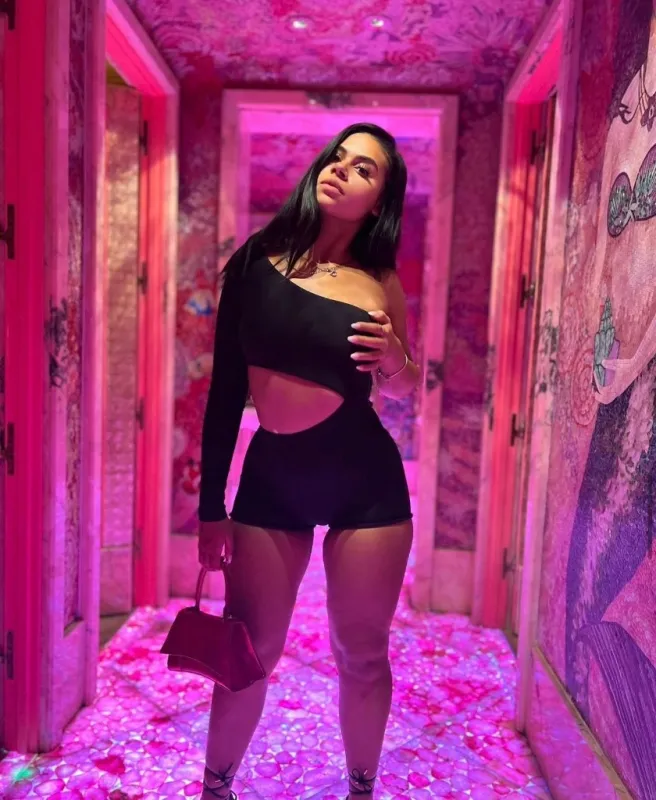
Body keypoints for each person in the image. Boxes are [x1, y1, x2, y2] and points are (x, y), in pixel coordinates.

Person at [197, 123, 419, 800]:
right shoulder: (257, 260)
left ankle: (361, 791)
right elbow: (225, 389)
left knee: (363, 652)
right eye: (337, 157)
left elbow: (405, 385)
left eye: (364, 169)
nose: (341, 169)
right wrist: (211, 508)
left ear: (378, 203)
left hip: (366, 482)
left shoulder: (380, 281)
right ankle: (214, 789)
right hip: (272, 480)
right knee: (250, 651)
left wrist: (396, 359)